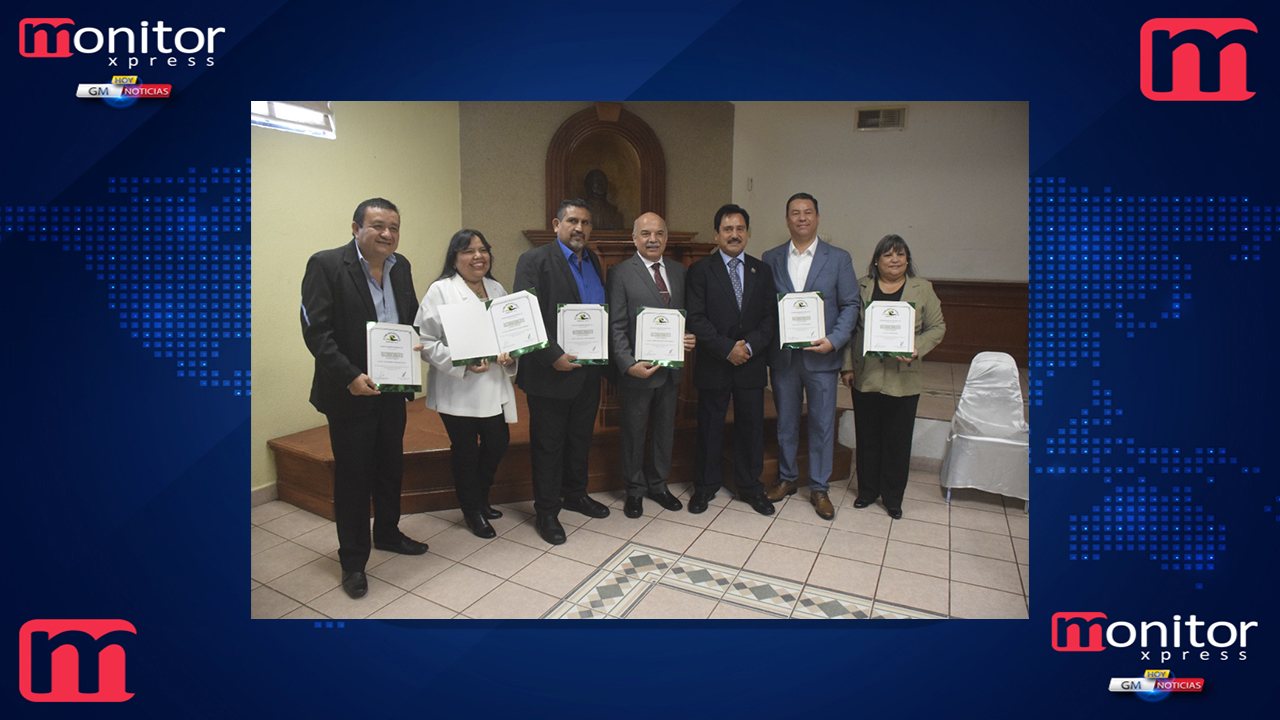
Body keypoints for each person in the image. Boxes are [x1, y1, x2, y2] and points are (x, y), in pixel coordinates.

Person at [300, 198, 429, 600]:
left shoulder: (401, 265)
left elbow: (409, 317)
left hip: (392, 389)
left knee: (390, 465)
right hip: (351, 392)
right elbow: (316, 331)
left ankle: (388, 533)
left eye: (394, 226)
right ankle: (353, 560)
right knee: (354, 477)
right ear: (356, 227)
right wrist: (350, 376)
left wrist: (418, 340)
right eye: (377, 225)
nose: (387, 233)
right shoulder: (325, 264)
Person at [514, 199, 611, 545]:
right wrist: (552, 355)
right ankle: (546, 511)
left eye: (585, 222)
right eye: (572, 221)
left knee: (580, 439)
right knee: (548, 445)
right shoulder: (534, 261)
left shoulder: (593, 260)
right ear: (556, 225)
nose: (579, 228)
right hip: (550, 372)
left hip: (587, 371)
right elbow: (525, 317)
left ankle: (576, 493)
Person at [762, 193, 860, 520]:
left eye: (808, 212)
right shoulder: (770, 257)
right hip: (784, 359)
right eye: (795, 213)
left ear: (817, 217)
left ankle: (819, 487)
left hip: (822, 358)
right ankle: (788, 478)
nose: (801, 218)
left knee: (821, 425)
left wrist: (834, 341)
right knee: (786, 423)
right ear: (786, 219)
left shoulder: (839, 258)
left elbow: (850, 305)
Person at [415, 229, 518, 539]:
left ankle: (481, 496)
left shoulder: (496, 288)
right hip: (457, 388)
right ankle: (472, 510)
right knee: (465, 451)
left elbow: (509, 334)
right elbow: (425, 341)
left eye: (483, 250)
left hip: (492, 385)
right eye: (468, 251)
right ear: (454, 258)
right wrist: (462, 362)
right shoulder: (440, 291)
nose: (478, 256)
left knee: (497, 441)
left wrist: (510, 354)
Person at [841, 234, 946, 520]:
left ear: (908, 260)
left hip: (904, 377)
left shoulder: (922, 288)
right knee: (868, 436)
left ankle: (893, 498)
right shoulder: (862, 286)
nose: (895, 260)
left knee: (898, 440)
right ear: (877, 260)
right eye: (888, 255)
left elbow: (937, 327)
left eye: (900, 254)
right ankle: (866, 491)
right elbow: (851, 330)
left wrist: (916, 349)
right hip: (867, 375)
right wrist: (847, 367)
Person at [685, 204, 777, 516]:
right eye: (727, 229)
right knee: (710, 427)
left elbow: (769, 318)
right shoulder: (700, 271)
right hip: (715, 362)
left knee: (752, 428)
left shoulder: (761, 270)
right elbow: (696, 319)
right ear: (716, 234)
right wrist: (728, 348)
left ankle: (751, 487)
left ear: (747, 233)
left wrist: (749, 347)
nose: (734, 235)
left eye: (740, 229)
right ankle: (705, 487)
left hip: (751, 363)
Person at [606, 212, 696, 518]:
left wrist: (688, 339)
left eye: (658, 233)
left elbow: (684, 319)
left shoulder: (679, 271)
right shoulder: (620, 273)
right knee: (633, 431)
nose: (653, 239)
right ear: (634, 238)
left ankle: (658, 485)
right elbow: (616, 326)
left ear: (667, 238)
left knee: (664, 431)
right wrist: (627, 364)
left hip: (670, 370)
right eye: (645, 233)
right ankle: (634, 490)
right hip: (637, 371)